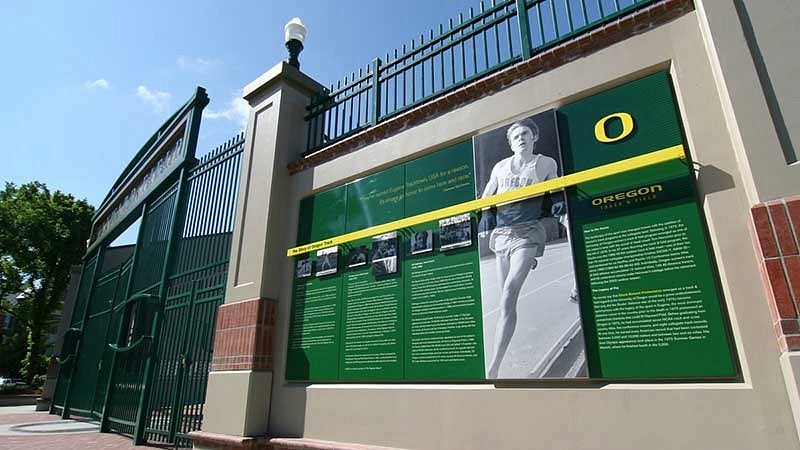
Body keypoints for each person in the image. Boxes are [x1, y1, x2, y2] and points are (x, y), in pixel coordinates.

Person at [480, 118, 559, 379]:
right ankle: (527, 260)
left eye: (525, 134)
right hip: (503, 235)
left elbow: (557, 190)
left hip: (528, 232)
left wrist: (557, 204)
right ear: (510, 143)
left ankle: (494, 366)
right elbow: (485, 198)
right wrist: (486, 215)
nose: (521, 139)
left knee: (510, 292)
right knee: (506, 301)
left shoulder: (545, 163)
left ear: (534, 137)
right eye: (515, 137)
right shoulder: (500, 167)